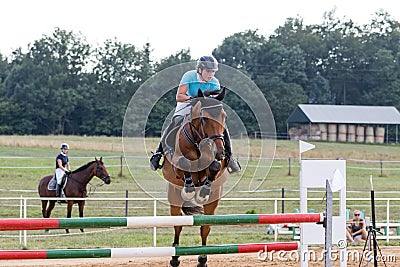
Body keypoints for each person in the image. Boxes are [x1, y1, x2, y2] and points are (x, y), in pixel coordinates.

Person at [149, 55, 241, 173]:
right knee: (175, 122)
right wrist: (194, 98)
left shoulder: (215, 82)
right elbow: (179, 96)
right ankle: (158, 153)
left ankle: (229, 156)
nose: (211, 74)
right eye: (208, 71)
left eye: (213, 71)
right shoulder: (189, 76)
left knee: (221, 127)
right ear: (200, 69)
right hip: (186, 103)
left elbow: (213, 103)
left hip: (203, 107)